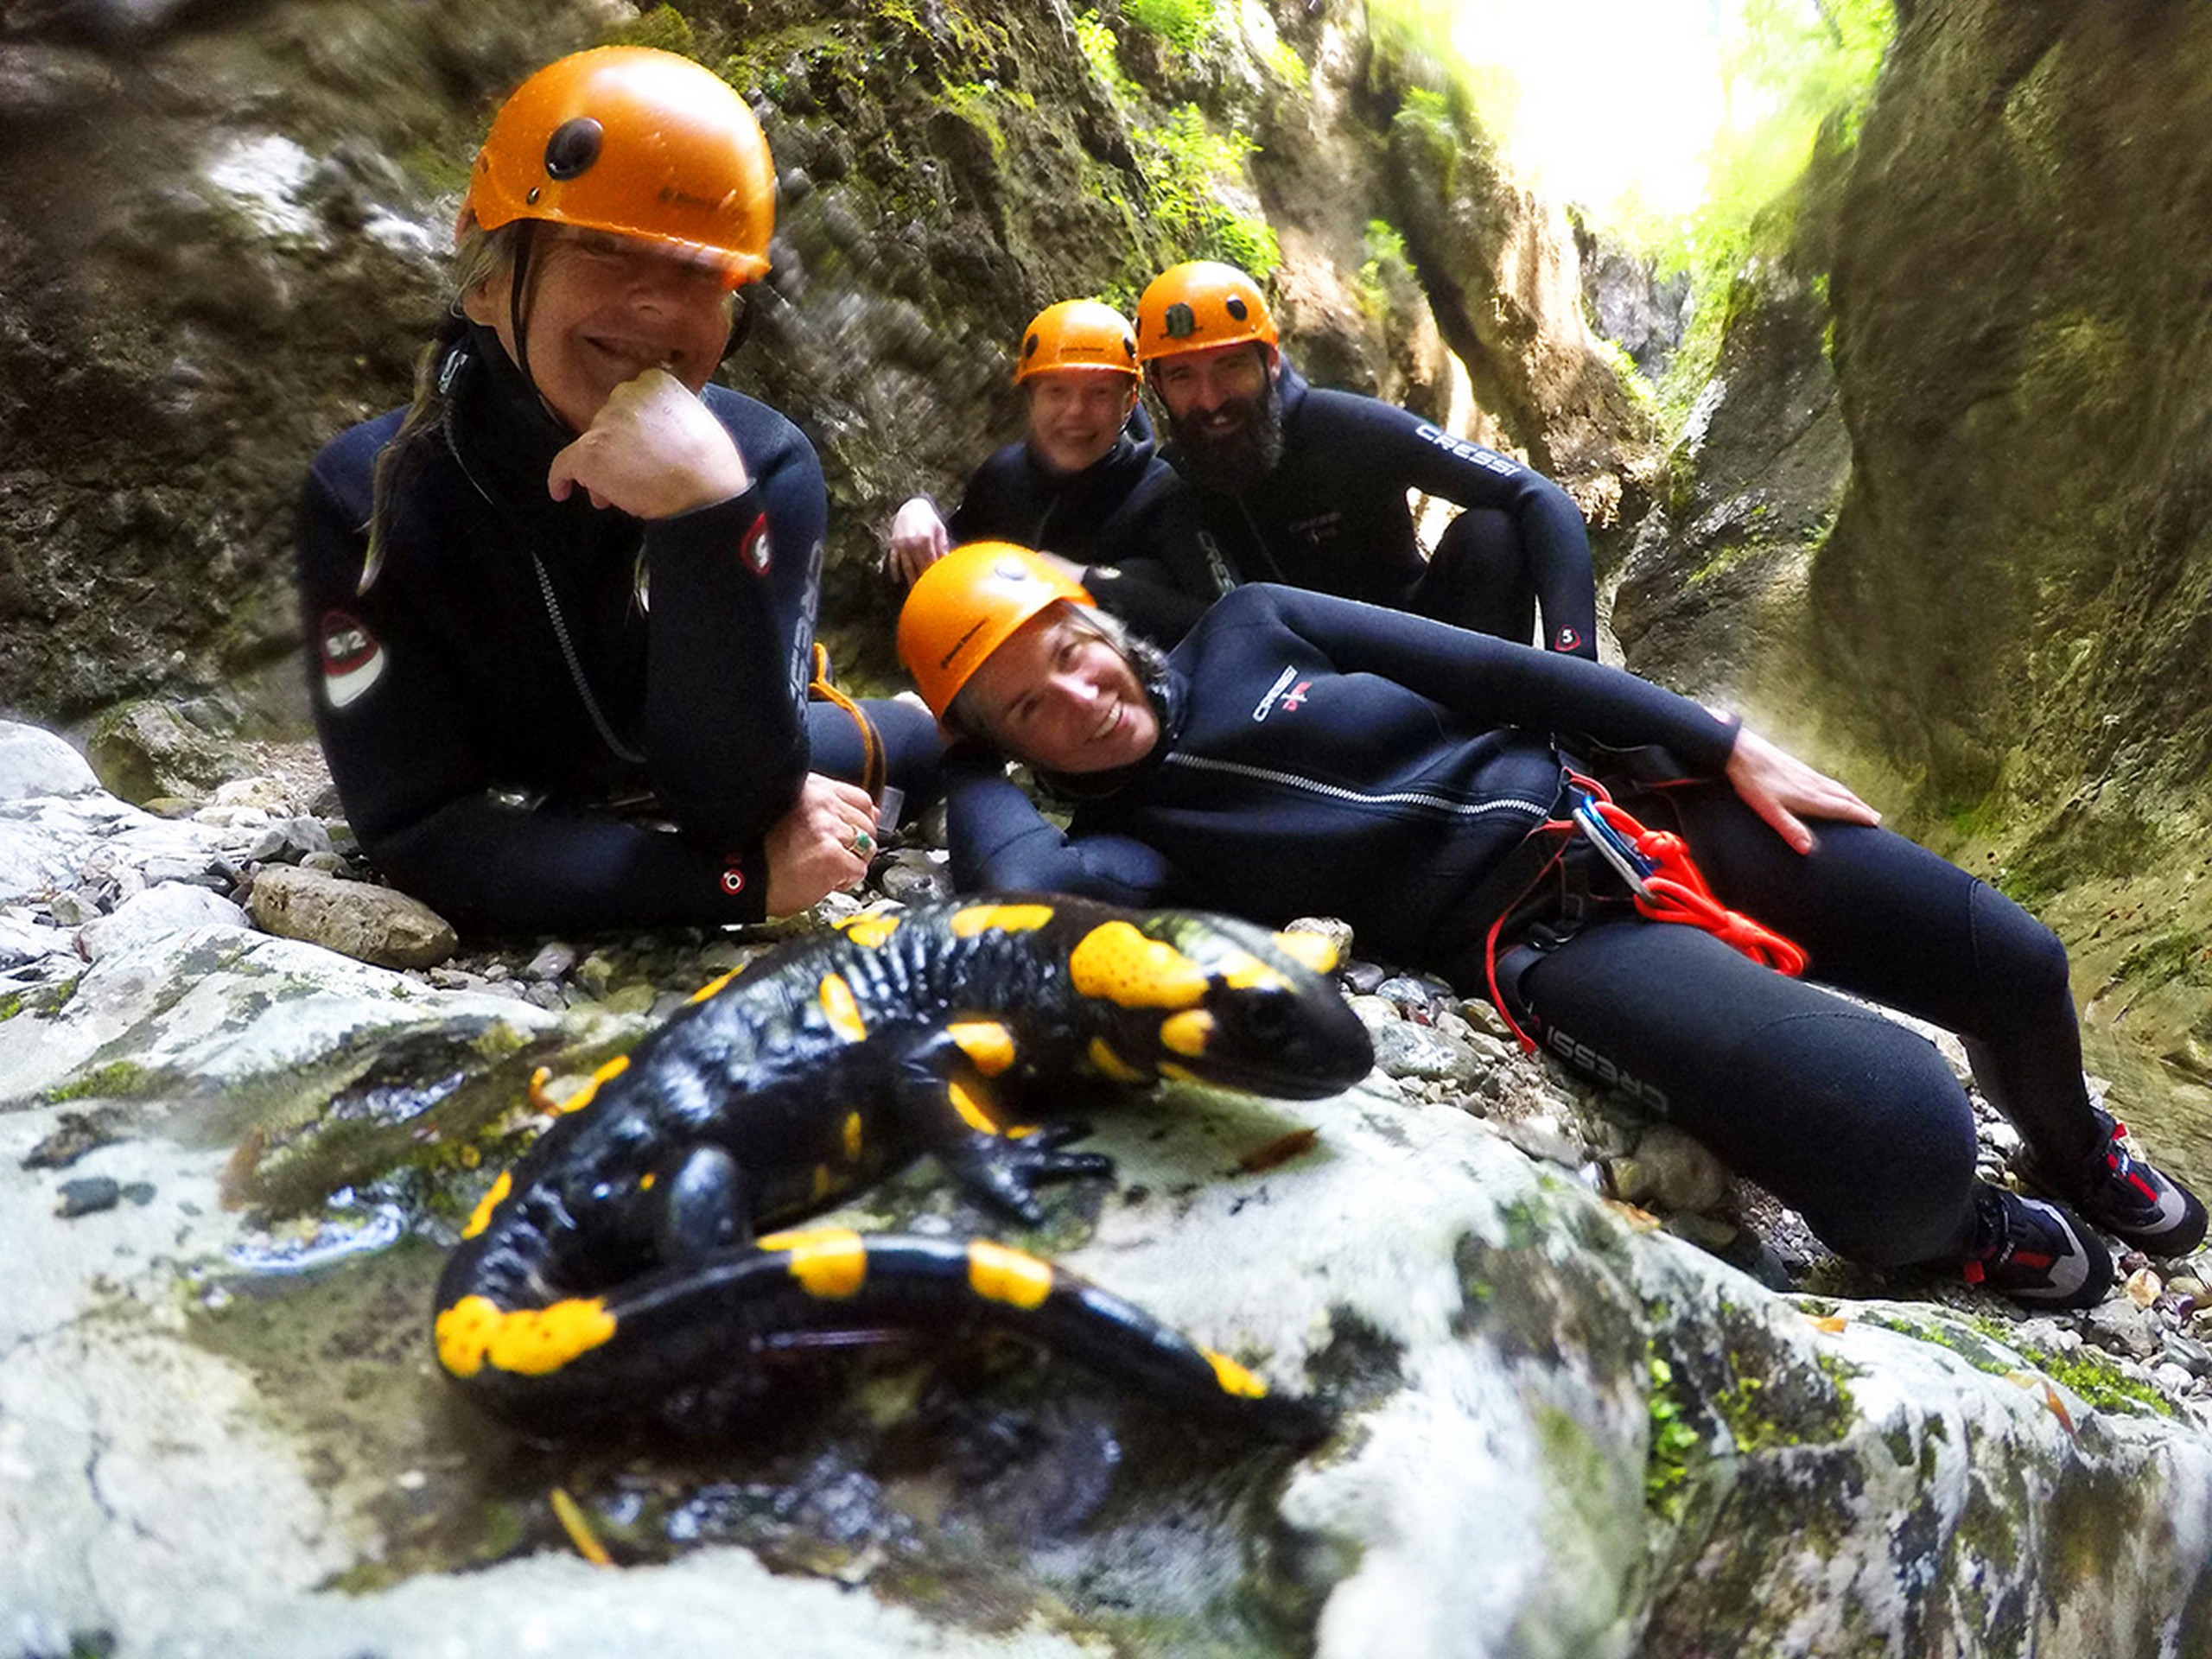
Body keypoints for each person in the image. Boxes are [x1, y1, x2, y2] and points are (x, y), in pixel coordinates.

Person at [894, 542, 2208, 1310]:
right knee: (1905, 1132)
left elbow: (1501, 671)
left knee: (2019, 964)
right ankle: (1968, 1234)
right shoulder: (1123, 848)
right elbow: (1013, 906)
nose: (1073, 700)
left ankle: (2077, 1150)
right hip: (1560, 939)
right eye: (1021, 709)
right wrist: (951, 761)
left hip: (1634, 801)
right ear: (1007, 748)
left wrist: (1720, 742)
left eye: (1067, 653)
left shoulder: (1256, 625)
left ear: (1100, 626)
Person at [296, 46, 938, 932]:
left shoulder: (762, 461)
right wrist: (729, 885)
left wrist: (708, 514)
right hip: (539, 764)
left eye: (703, 275)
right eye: (603, 250)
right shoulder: (369, 497)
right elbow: (417, 827)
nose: (661, 309)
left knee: (930, 741)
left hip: (695, 727)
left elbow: (732, 803)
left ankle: (935, 706)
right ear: (486, 282)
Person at [1135, 260, 1603, 661]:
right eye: (1182, 376)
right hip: (1306, 686)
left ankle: (1509, 731)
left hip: (1423, 650)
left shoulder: (1341, 427)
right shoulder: (1176, 481)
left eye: (1230, 365)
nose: (1211, 398)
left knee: (1490, 535)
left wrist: (1574, 656)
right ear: (1156, 386)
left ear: (1270, 362)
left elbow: (1535, 495)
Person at [884, 298, 1207, 646]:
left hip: (1125, 689)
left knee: (1143, 576)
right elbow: (933, 578)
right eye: (1057, 391)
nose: (1076, 411)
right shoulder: (1003, 477)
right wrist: (916, 514)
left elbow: (1214, 619)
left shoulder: (1164, 496)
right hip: (1003, 683)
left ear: (1128, 403)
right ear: (1031, 398)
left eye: (1099, 393)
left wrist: (1084, 581)